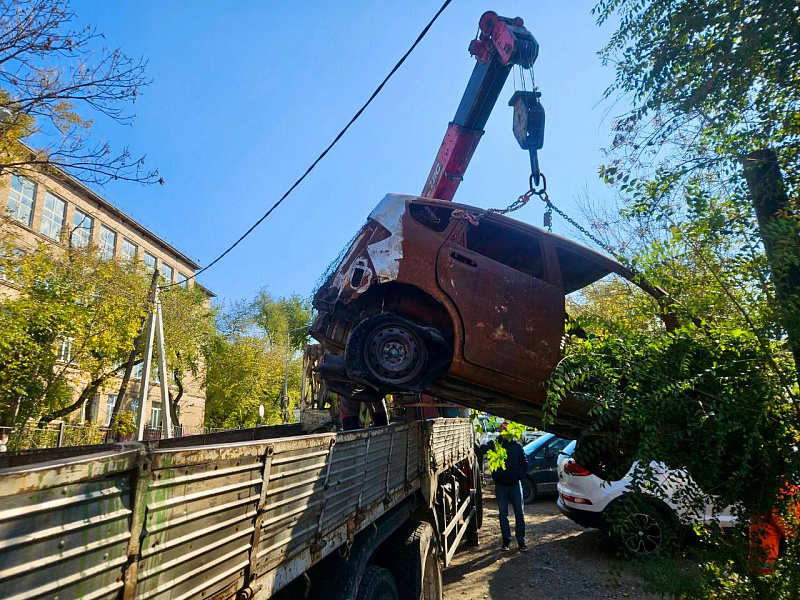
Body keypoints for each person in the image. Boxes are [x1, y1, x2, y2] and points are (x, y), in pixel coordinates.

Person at [479, 421, 528, 552]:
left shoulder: (517, 446)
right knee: (503, 514)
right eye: (503, 429)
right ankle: (506, 541)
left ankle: (521, 541)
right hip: (501, 486)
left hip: (514, 485)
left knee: (519, 514)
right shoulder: (496, 445)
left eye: (507, 429)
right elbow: (483, 449)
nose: (505, 431)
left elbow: (524, 463)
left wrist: (518, 476)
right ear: (501, 430)